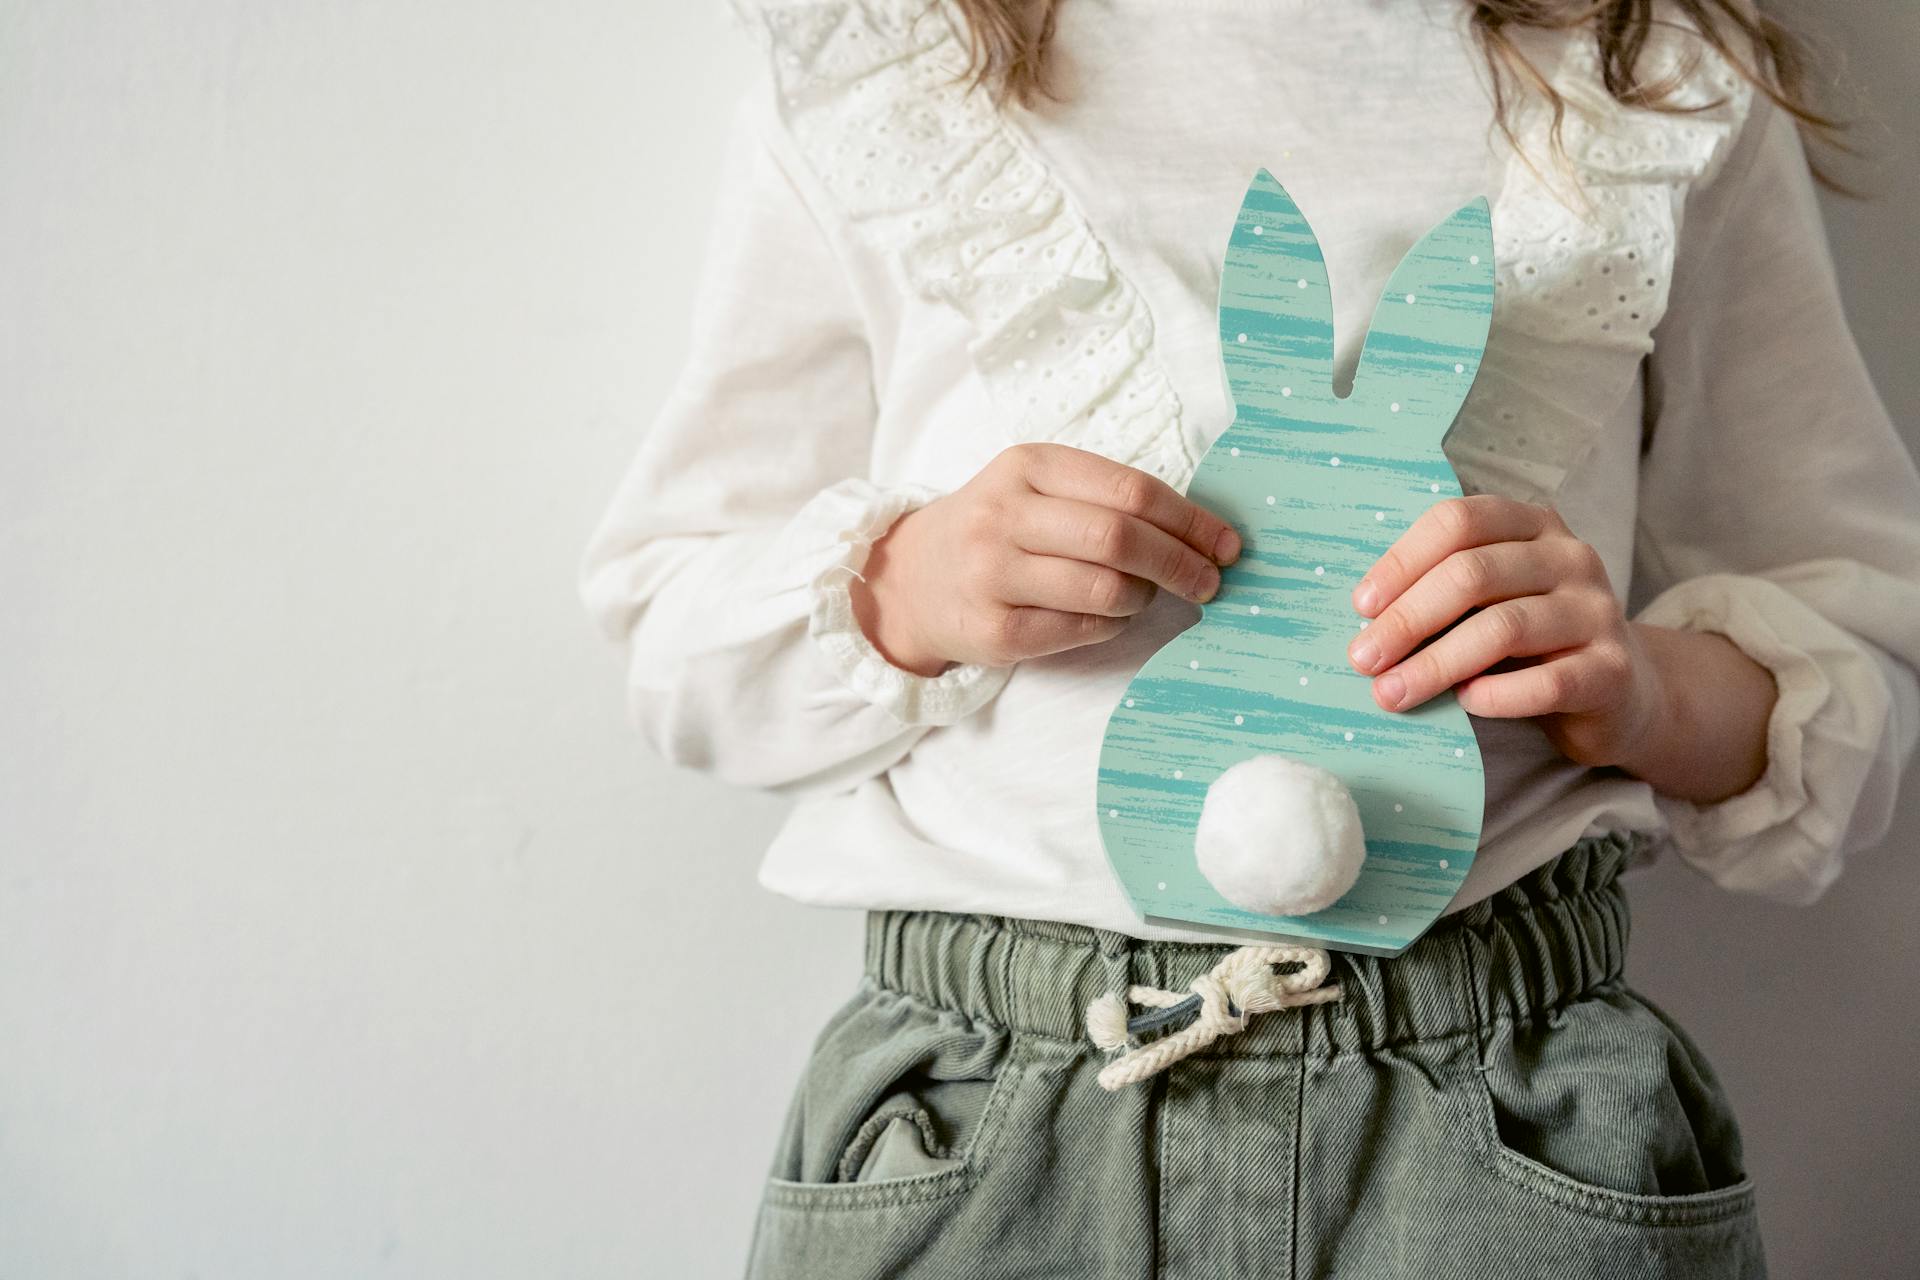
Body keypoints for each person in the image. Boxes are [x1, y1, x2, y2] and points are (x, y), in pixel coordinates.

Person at [578, 0, 1920, 1275]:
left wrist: (1635, 693)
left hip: (1505, 1118)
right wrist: (902, 589)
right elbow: (675, 639)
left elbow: (1855, 650)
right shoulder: (893, 78)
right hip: (983, 1118)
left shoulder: (1646, 87)